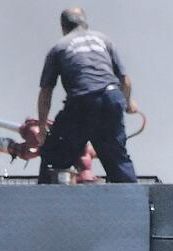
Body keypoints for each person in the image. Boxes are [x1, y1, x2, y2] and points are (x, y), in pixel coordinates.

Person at [36, 8, 138, 184]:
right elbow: (125, 81)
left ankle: (42, 203)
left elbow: (46, 93)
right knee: (117, 159)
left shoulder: (58, 48)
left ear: (63, 27)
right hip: (111, 98)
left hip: (81, 104)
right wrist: (128, 103)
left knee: (54, 156)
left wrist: (43, 127)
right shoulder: (103, 40)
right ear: (85, 24)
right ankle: (132, 205)